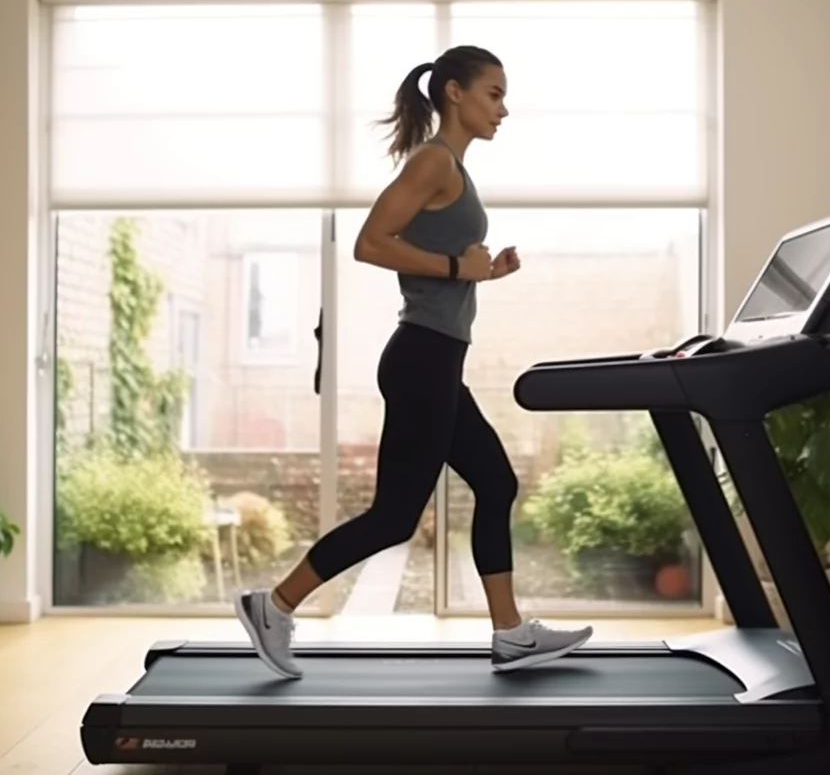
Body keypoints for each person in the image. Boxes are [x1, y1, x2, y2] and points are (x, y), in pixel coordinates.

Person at [234, 45, 594, 679]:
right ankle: (274, 605)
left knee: (496, 482)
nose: (504, 109)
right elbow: (371, 243)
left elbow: (437, 264)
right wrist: (460, 267)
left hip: (437, 358)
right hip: (422, 358)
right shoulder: (434, 160)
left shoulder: (453, 167)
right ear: (454, 92)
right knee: (395, 518)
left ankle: (510, 634)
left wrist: (484, 271)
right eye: (494, 94)